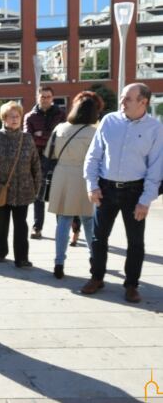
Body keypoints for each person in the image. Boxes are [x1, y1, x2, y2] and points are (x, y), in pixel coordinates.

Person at [82, 83, 163, 303]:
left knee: (135, 242)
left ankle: (131, 285)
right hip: (106, 189)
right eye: (122, 97)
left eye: (127, 98)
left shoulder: (155, 129)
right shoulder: (109, 121)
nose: (122, 102)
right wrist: (92, 185)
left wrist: (145, 200)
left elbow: (156, 168)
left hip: (134, 192)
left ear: (143, 102)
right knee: (99, 238)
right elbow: (93, 156)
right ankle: (97, 277)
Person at [45, 91, 103, 279]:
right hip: (86, 177)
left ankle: (59, 262)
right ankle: (94, 259)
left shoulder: (60, 128)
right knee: (88, 221)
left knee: (63, 220)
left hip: (62, 176)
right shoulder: (95, 132)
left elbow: (49, 154)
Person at [0, 101, 42, 268]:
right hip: (0, 190)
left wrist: (37, 187)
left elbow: (35, 164)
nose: (15, 119)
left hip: (24, 190)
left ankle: (21, 258)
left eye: (17, 116)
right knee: (1, 223)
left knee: (21, 225)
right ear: (4, 118)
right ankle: (1, 252)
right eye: (11, 116)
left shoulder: (27, 138)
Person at [24, 86, 67, 240]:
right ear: (37, 97)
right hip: (38, 159)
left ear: (52, 98)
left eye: (48, 96)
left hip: (57, 159)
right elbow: (28, 138)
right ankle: (37, 227)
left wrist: (41, 135)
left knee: (57, 193)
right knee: (38, 194)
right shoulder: (30, 117)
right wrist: (49, 137)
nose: (45, 99)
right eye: (42, 96)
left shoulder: (61, 115)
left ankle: (61, 228)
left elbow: (62, 137)